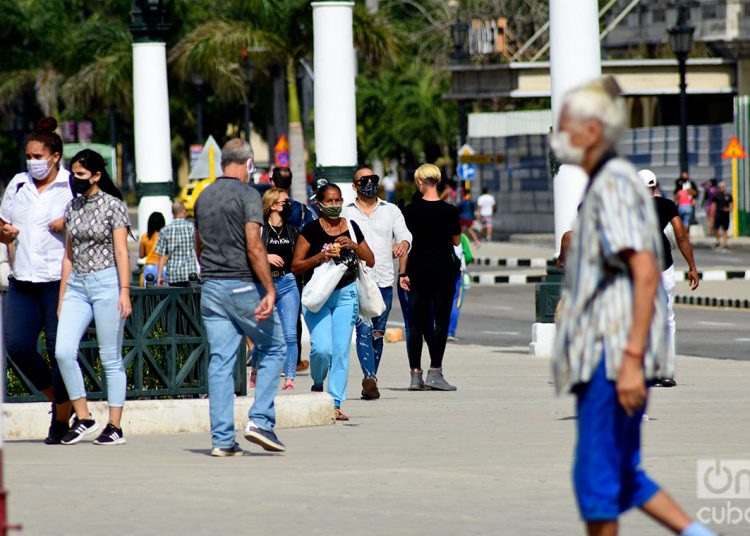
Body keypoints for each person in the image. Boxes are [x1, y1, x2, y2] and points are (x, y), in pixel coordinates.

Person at [552, 77, 713, 536]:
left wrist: (627, 362)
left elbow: (644, 273)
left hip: (611, 357)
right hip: (602, 354)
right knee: (623, 479)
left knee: (598, 484)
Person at [194, 139, 286, 457]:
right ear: (248, 163)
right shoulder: (248, 194)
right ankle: (260, 420)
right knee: (275, 347)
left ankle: (222, 440)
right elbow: (254, 245)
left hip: (211, 288)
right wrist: (269, 290)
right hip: (243, 285)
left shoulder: (203, 196)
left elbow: (199, 244)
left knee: (220, 362)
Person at [0, 117, 73, 444]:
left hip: (59, 281)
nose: (32, 162)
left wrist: (67, 222)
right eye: (29, 156)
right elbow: (2, 226)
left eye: (38, 156)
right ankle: (61, 402)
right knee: (17, 346)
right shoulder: (17, 184)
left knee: (60, 353)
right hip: (23, 280)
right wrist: (4, 233)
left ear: (55, 156)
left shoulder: (71, 185)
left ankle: (59, 422)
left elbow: (88, 227)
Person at [55, 149, 132, 446]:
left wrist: (124, 292)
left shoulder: (114, 206)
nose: (75, 179)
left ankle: (115, 426)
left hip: (107, 283)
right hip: (77, 285)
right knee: (63, 351)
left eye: (81, 174)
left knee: (109, 357)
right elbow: (68, 256)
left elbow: (122, 251)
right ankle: (84, 417)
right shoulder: (71, 207)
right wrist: (62, 297)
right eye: (73, 173)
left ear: (97, 175)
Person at [292, 182, 374, 421]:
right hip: (318, 297)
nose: (335, 205)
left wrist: (354, 246)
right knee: (322, 349)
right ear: (319, 204)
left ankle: (335, 401)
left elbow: (371, 260)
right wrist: (320, 256)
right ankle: (318, 382)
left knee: (340, 351)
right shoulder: (310, 230)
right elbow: (296, 266)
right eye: (330, 201)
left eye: (338, 200)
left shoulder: (352, 227)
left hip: (346, 295)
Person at [342, 167, 411, 400]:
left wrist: (403, 244)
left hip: (383, 280)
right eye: (364, 180)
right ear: (355, 186)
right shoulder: (345, 212)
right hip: (356, 280)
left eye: (373, 179)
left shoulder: (390, 210)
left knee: (378, 334)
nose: (369, 183)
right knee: (363, 329)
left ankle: (371, 379)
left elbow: (405, 234)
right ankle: (369, 377)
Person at [401, 164, 461, 392]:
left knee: (416, 323)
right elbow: (456, 241)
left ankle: (415, 375)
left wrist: (403, 273)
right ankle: (435, 371)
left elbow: (405, 245)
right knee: (441, 322)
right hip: (443, 272)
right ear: (438, 181)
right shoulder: (450, 211)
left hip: (418, 271)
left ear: (419, 182)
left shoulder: (409, 211)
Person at [638, 169, 699, 388]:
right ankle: (667, 371)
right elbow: (681, 235)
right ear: (654, 186)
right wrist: (692, 267)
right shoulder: (666, 205)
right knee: (667, 317)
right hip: (664, 266)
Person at [250, 188, 300, 391]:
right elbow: (249, 254)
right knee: (263, 334)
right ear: (272, 205)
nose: (288, 205)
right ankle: (255, 368)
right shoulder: (260, 229)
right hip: (264, 284)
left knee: (289, 334)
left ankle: (289, 379)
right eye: (284, 202)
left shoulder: (292, 229)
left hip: (287, 283)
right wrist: (266, 257)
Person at [269, 166, 315, 373]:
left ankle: (272, 359)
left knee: (269, 315)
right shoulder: (301, 209)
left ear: (272, 182)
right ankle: (293, 362)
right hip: (294, 270)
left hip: (267, 271)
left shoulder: (266, 207)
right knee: (292, 316)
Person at [156, 201, 200, 287]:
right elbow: (198, 248)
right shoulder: (191, 227)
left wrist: (159, 276)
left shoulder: (165, 230)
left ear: (172, 213)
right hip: (190, 273)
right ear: (183, 211)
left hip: (173, 275)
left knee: (175, 300)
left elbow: (161, 256)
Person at [139, 211, 166, 286]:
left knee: (149, 294)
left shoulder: (145, 236)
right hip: (163, 268)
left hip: (149, 269)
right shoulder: (165, 237)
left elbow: (141, 255)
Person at [712, 182, 732, 250]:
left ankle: (725, 243)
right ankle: (717, 241)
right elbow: (713, 205)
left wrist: (729, 209)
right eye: (721, 186)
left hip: (725, 215)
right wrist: (713, 213)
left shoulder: (728, 195)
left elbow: (731, 204)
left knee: (725, 229)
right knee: (716, 228)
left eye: (724, 186)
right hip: (718, 214)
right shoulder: (716, 195)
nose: (723, 187)